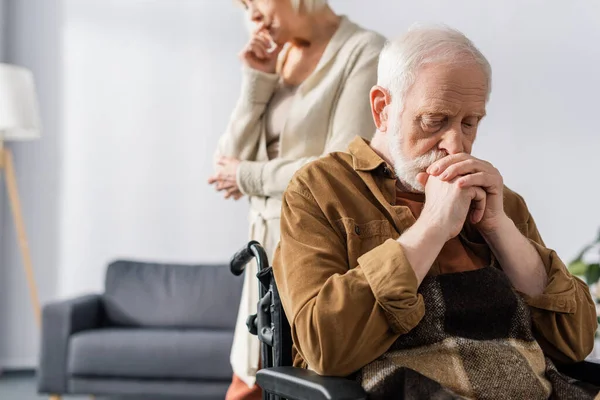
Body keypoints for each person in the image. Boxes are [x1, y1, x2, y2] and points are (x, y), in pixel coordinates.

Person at [273, 25, 598, 399]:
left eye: (470, 123)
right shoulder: (320, 189)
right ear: (382, 109)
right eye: (434, 121)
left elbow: (575, 343)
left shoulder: (501, 200)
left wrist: (499, 228)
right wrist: (432, 227)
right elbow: (325, 348)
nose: (455, 144)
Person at [209, 0, 385, 398]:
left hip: (313, 249)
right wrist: (256, 81)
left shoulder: (365, 52)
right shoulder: (279, 56)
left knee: (296, 381)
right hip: (263, 252)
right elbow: (227, 156)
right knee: (248, 380)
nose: (251, 14)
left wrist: (246, 175)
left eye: (255, 1)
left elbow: (339, 168)